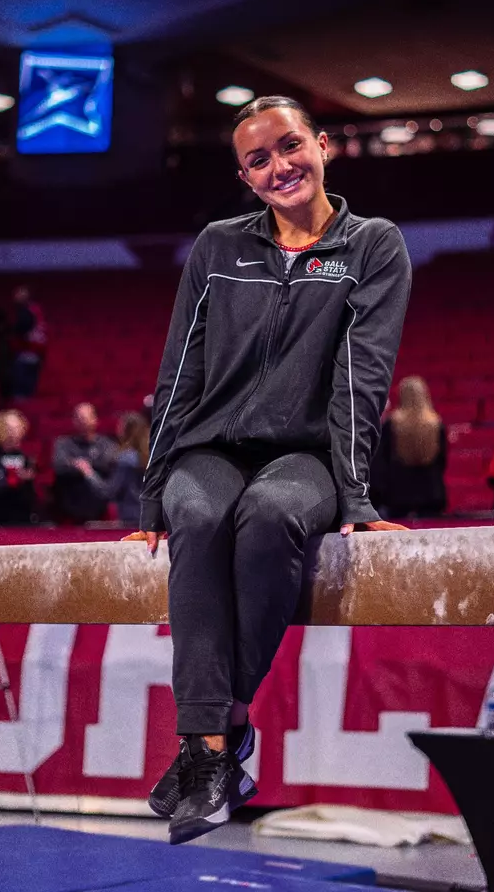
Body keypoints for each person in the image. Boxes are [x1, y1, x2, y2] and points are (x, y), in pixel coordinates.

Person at [124, 95, 411, 845]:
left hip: (304, 454)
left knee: (274, 515)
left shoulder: (372, 245)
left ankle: (203, 743)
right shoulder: (218, 248)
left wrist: (351, 491)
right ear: (245, 178)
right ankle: (218, 746)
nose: (278, 166)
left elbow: (362, 374)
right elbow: (178, 371)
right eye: (258, 159)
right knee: (197, 514)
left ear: (322, 146)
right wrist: (151, 498)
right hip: (208, 448)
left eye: (288, 147)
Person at [370, 376, 447, 518]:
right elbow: (442, 461)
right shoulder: (436, 424)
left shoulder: (391, 424)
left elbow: (381, 463)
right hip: (431, 494)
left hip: (398, 495)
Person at [51, 403, 117, 523]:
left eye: (86, 417)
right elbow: (59, 465)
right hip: (70, 504)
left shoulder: (106, 444)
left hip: (98, 503)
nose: (83, 421)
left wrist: (83, 465)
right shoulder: (63, 443)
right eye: (79, 418)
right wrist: (80, 468)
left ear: (95, 419)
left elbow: (107, 463)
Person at [105, 412, 150, 524]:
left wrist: (89, 473)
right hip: (149, 515)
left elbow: (110, 491)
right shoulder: (151, 456)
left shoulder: (125, 459)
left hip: (130, 517)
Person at [9, 286, 47, 400]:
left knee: (22, 391)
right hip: (35, 352)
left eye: (18, 295)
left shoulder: (27, 312)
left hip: (27, 352)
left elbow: (22, 330)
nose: (15, 297)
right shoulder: (35, 309)